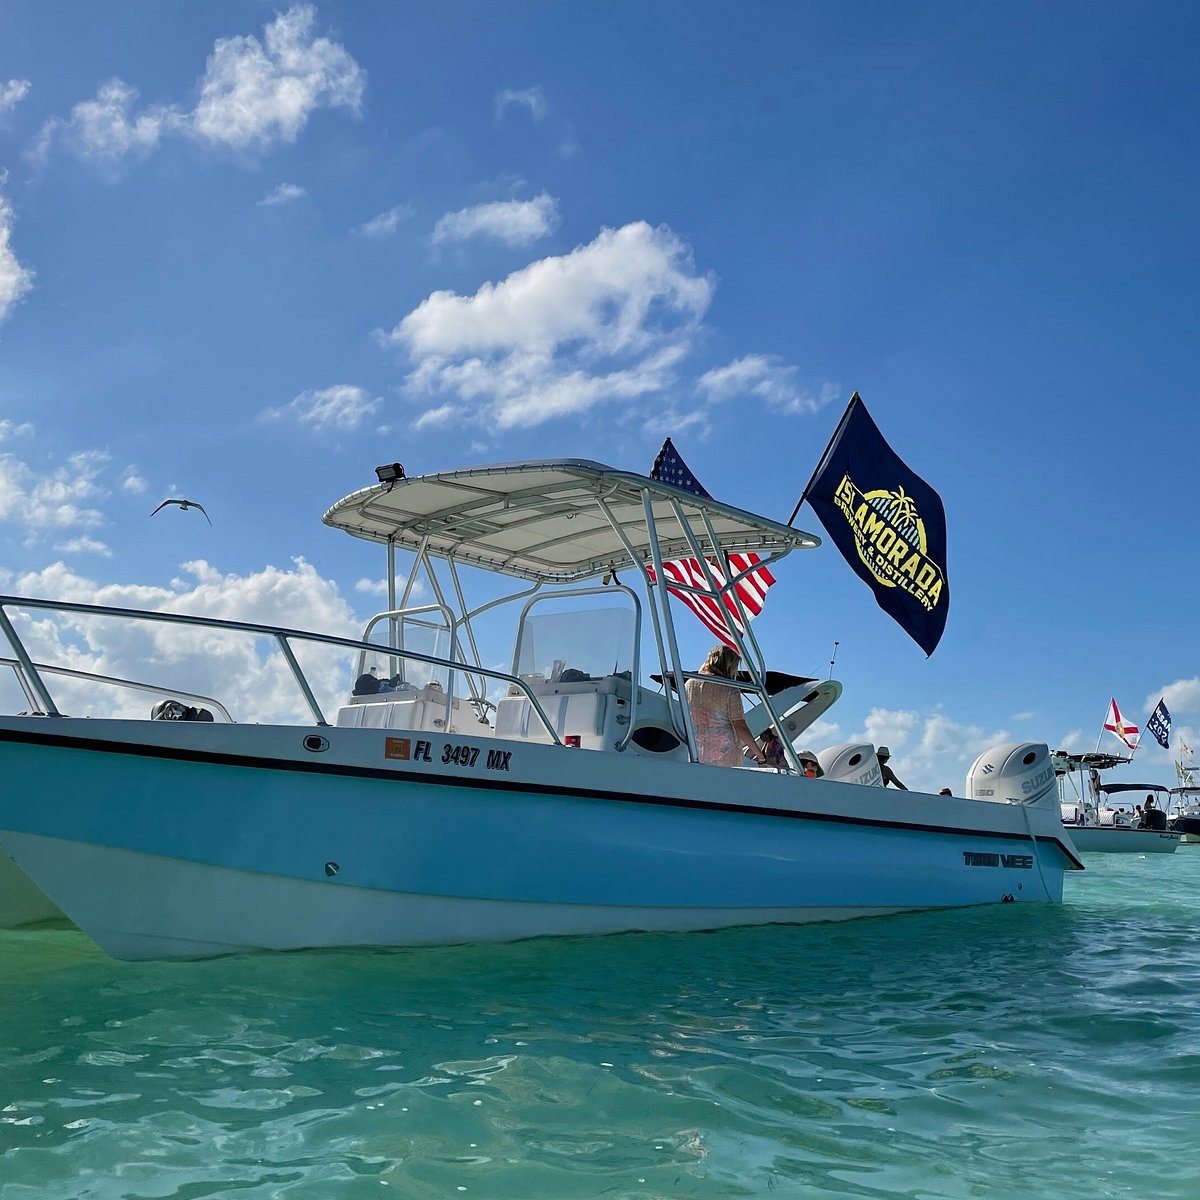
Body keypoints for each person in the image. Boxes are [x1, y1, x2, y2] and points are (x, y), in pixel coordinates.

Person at [685, 645, 767, 767]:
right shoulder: (729, 688)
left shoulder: (689, 685)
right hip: (725, 753)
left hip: (696, 750)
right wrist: (759, 754)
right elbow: (740, 726)